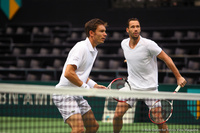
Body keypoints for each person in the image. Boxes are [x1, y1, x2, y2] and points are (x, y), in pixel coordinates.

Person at [113, 18, 187, 133]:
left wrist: (178, 77)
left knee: (159, 120)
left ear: (140, 28)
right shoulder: (124, 44)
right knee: (117, 115)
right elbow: (134, 56)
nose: (136, 29)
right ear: (127, 30)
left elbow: (167, 58)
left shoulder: (149, 44)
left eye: (137, 26)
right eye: (132, 27)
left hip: (150, 89)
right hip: (131, 87)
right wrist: (131, 60)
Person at [53, 18, 108, 133]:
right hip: (65, 94)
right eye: (101, 31)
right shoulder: (81, 47)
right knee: (78, 129)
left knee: (93, 127)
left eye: (105, 31)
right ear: (91, 33)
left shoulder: (93, 50)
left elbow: (79, 74)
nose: (105, 34)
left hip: (76, 94)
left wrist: (94, 85)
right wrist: (86, 88)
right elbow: (68, 73)